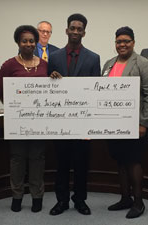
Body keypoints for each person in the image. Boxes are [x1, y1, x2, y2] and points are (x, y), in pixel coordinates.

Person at [101, 26, 148, 219]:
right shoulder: (108, 64)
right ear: (115, 43)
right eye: (119, 41)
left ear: (133, 43)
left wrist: (143, 123)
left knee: (133, 161)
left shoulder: (143, 63)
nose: (122, 44)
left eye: (126, 41)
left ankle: (138, 201)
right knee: (120, 161)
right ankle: (125, 198)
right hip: (113, 123)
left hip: (135, 124)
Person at [48, 13, 100, 217]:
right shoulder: (54, 57)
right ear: (67, 30)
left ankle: (80, 200)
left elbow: (96, 90)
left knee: (81, 165)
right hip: (60, 121)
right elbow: (47, 91)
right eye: (73, 28)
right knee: (61, 164)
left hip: (83, 122)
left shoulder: (93, 58)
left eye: (79, 29)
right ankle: (61, 201)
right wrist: (50, 79)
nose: (76, 31)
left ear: (84, 32)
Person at [0, 25, 48, 213]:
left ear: (36, 43)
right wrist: (16, 107)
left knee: (37, 159)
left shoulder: (43, 65)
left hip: (39, 122)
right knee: (17, 159)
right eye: (24, 40)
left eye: (32, 40)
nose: (28, 44)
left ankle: (37, 196)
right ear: (18, 42)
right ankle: (17, 196)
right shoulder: (9, 65)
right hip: (16, 122)